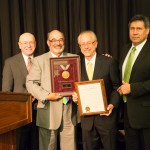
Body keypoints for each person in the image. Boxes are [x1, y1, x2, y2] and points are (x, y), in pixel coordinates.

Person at [26, 30, 79, 150]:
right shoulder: (39, 60)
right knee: (48, 147)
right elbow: (30, 83)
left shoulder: (74, 58)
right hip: (48, 111)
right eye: (54, 40)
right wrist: (47, 95)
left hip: (69, 110)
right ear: (48, 43)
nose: (58, 43)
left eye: (60, 40)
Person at [72, 30, 120, 150]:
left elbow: (116, 88)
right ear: (79, 46)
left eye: (89, 42)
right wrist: (74, 97)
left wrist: (112, 105)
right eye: (83, 44)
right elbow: (73, 87)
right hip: (87, 121)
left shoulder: (109, 62)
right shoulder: (75, 65)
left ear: (96, 44)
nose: (86, 46)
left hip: (106, 118)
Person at [117, 14, 150, 150]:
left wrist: (132, 88)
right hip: (127, 114)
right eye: (132, 29)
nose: (135, 32)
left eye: (139, 29)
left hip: (146, 117)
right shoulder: (125, 49)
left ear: (147, 30)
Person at [2, 32, 39, 150]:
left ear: (35, 44)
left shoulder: (42, 60)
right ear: (19, 45)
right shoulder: (10, 62)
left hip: (40, 110)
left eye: (31, 42)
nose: (28, 45)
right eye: (25, 43)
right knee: (21, 145)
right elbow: (6, 91)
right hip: (19, 114)